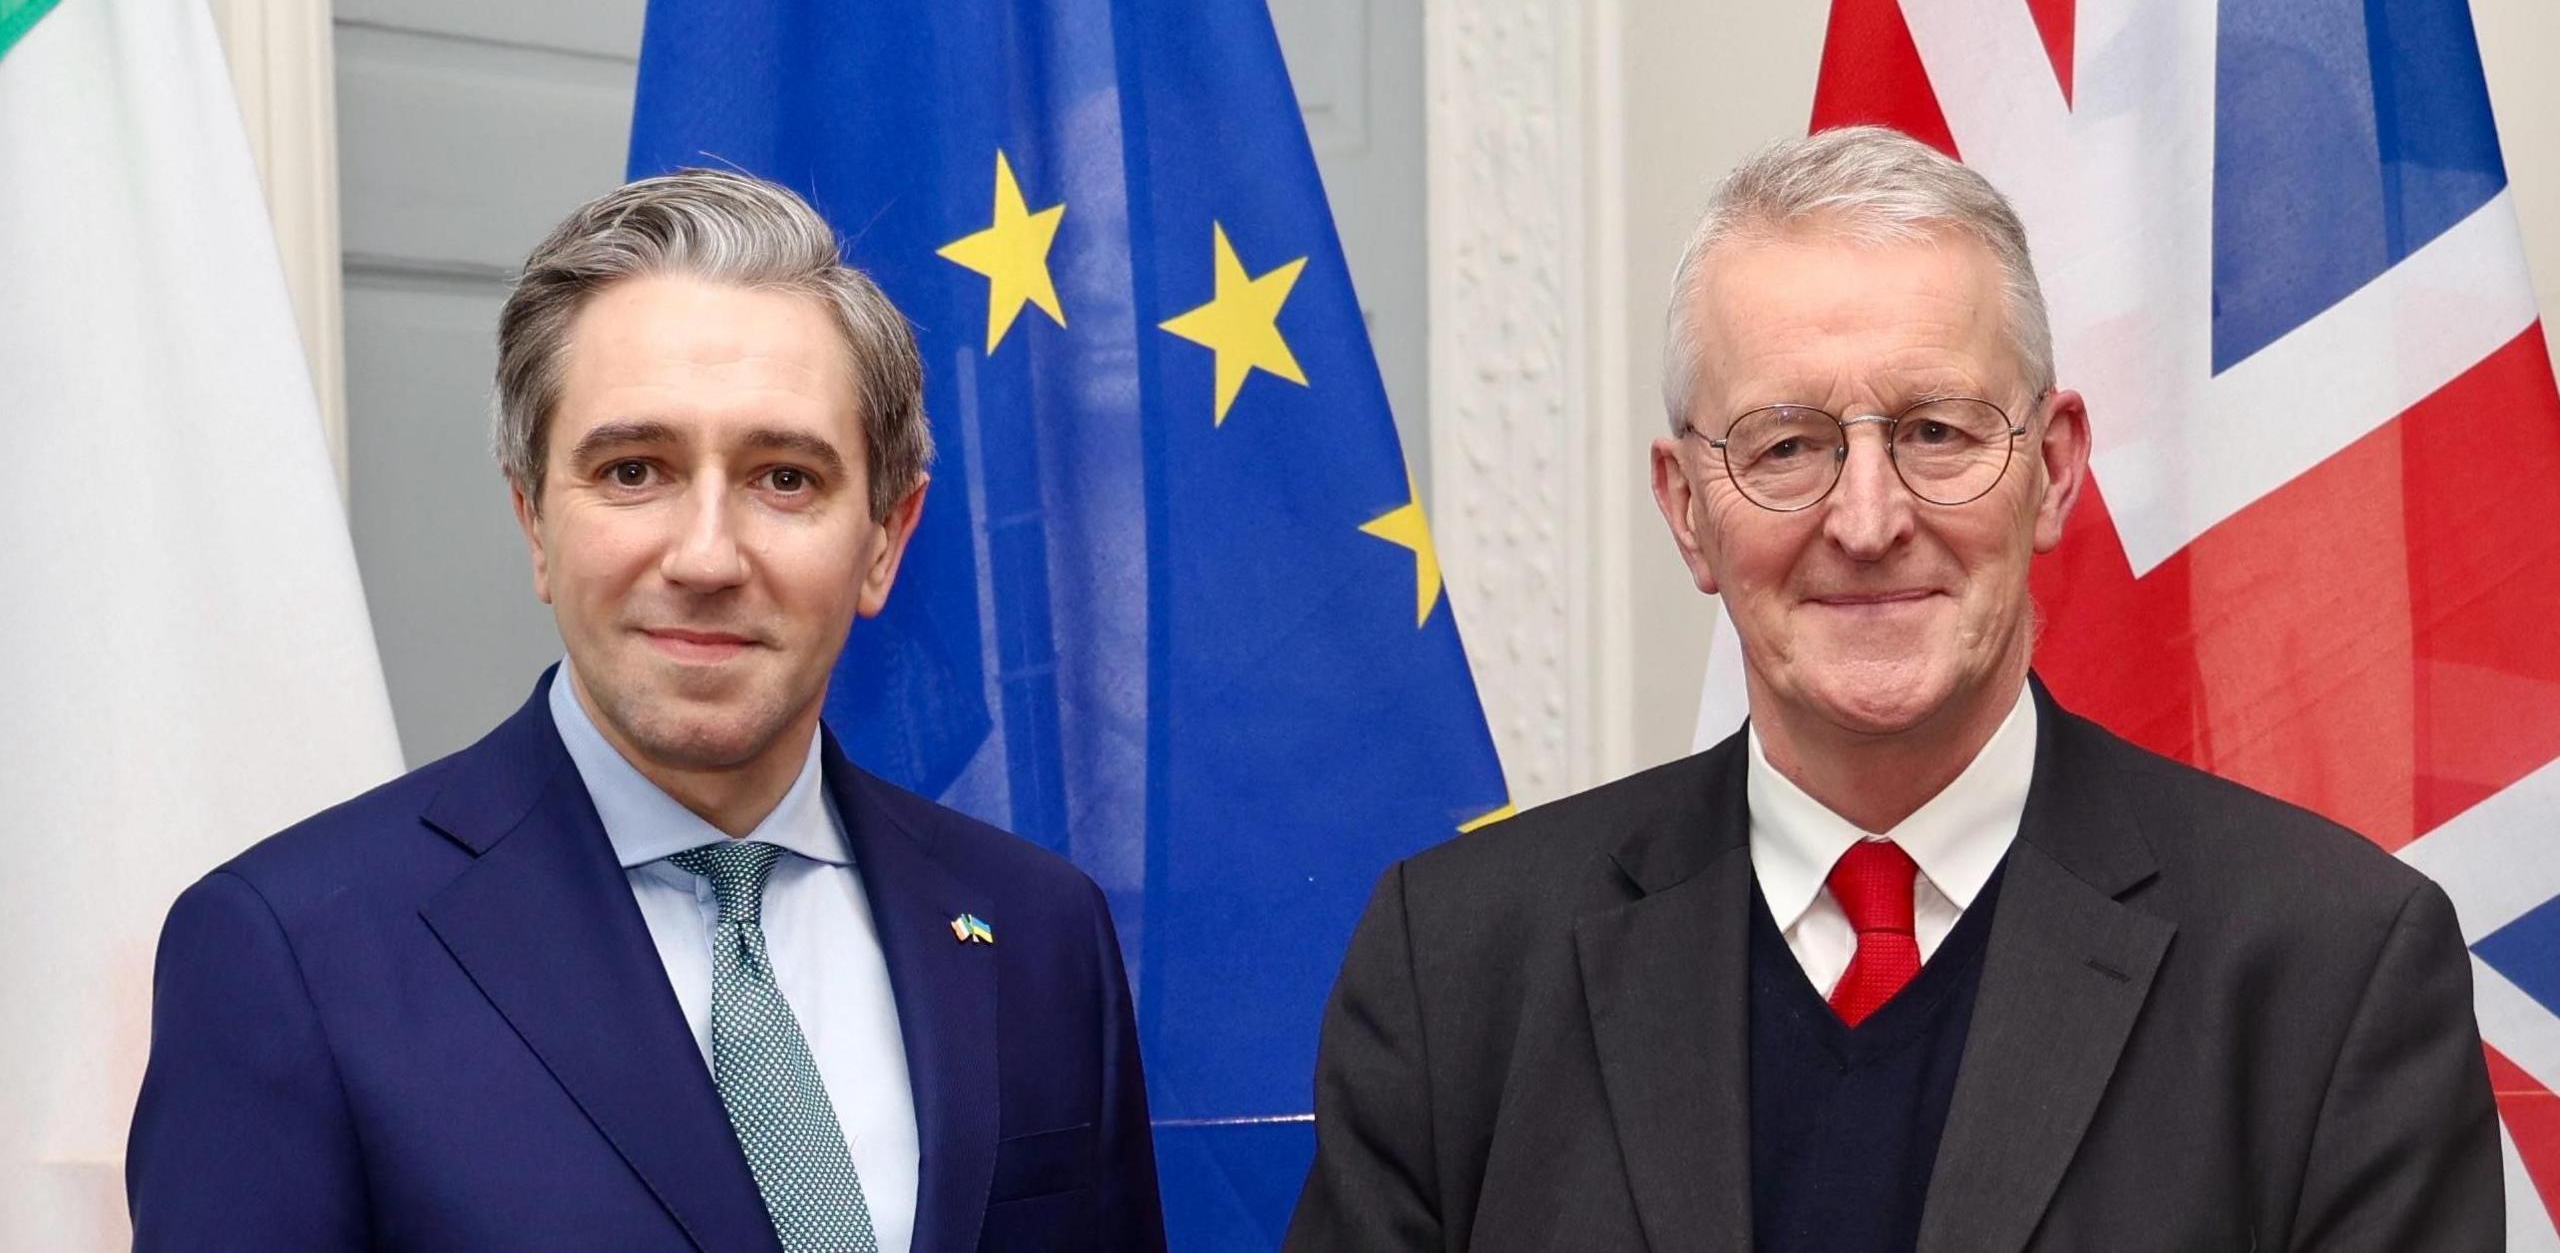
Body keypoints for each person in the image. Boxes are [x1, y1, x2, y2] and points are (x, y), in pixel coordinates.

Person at [1283, 127, 2501, 1252]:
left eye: (1936, 431)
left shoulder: (2328, 970)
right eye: (1786, 444)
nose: (1867, 521)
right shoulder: (1455, 967)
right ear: (1686, 508)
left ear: (2054, 469)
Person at [127, 171, 1166, 1252]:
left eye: (785, 479)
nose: (706, 555)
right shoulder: (292, 953)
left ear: (885, 539)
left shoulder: (1041, 931)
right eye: (633, 470)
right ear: (535, 519)